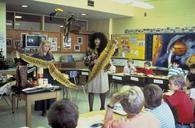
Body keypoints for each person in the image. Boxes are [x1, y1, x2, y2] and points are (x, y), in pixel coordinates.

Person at [84, 32, 109, 111]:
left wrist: (115, 45)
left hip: (102, 72)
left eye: (98, 39)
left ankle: (102, 107)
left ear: (102, 40)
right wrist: (92, 62)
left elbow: (114, 53)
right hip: (93, 71)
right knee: (91, 90)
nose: (96, 41)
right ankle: (90, 109)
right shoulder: (89, 50)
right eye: (95, 39)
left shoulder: (105, 50)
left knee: (103, 90)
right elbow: (85, 62)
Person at [32, 40, 55, 116]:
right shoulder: (37, 55)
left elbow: (53, 63)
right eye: (45, 46)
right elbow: (32, 63)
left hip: (49, 75)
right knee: (43, 91)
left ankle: (50, 108)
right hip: (41, 75)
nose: (47, 48)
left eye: (48, 46)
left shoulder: (50, 55)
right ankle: (43, 109)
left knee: (50, 91)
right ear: (42, 46)